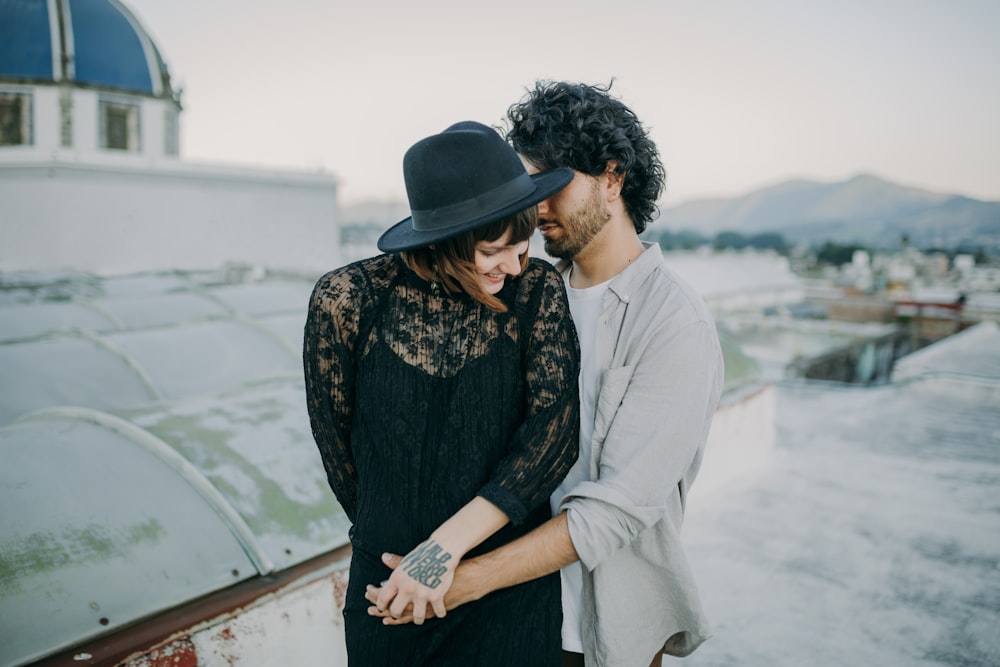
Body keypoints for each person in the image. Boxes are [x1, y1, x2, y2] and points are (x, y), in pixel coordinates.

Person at [368, 81, 725, 667]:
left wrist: (464, 578)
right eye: (526, 189)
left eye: (552, 186)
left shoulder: (673, 322)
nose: (534, 208)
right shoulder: (521, 292)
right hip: (505, 623)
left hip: (595, 635)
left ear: (611, 178)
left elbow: (615, 510)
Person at [304, 120, 581, 665]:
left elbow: (553, 437)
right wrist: (397, 544)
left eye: (522, 247)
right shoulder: (346, 301)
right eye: (494, 251)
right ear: (446, 242)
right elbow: (339, 453)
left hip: (504, 595)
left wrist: (439, 551)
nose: (515, 265)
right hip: (390, 590)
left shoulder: (538, 294)